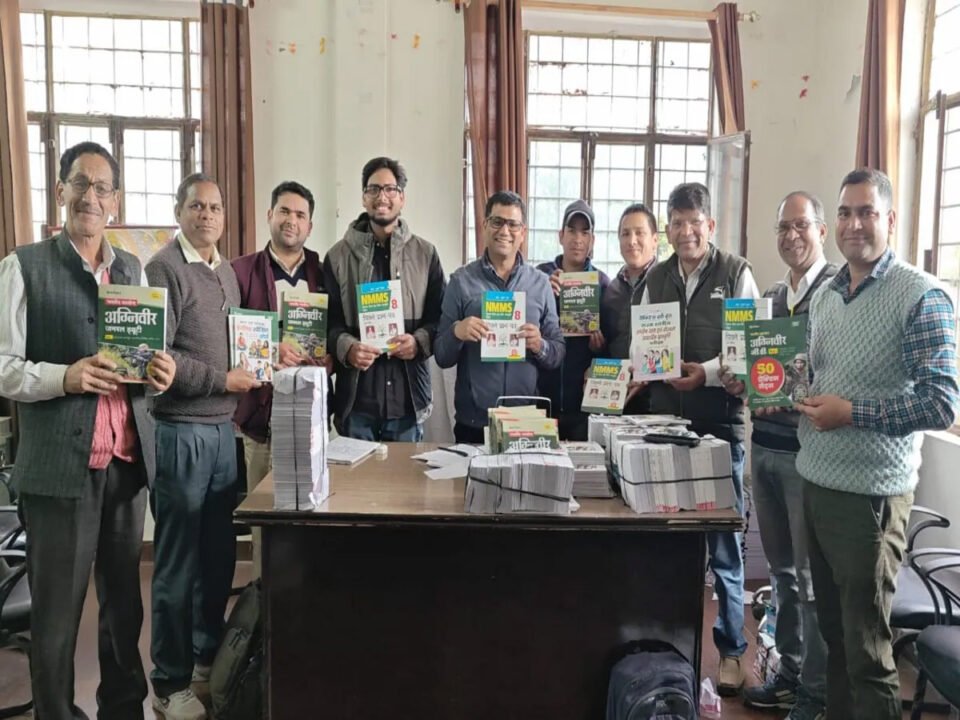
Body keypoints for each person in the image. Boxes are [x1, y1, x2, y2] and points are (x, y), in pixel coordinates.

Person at [0, 141, 176, 720]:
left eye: (102, 188)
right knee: (57, 615)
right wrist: (65, 377)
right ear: (60, 191)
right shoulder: (23, 267)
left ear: (115, 201)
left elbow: (142, 362)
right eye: (80, 184)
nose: (91, 197)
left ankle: (122, 709)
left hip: (126, 464)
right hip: (59, 471)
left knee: (124, 607)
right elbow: (3, 368)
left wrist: (159, 373)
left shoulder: (131, 271)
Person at [794, 169, 958, 720]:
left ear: (889, 219)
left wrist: (851, 413)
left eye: (866, 212)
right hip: (817, 483)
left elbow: (941, 404)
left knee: (867, 650)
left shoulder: (921, 295)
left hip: (870, 498)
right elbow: (817, 378)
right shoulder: (827, 294)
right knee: (835, 637)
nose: (854, 224)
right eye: (845, 212)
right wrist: (778, 392)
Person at [637, 181, 761, 695]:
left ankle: (731, 650)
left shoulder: (736, 273)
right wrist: (648, 368)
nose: (686, 231)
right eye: (677, 222)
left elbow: (749, 348)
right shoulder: (656, 277)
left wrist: (704, 375)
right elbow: (646, 343)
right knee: (666, 544)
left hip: (720, 427)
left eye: (695, 222)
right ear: (668, 229)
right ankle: (663, 644)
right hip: (666, 427)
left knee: (725, 549)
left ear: (710, 225)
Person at [146, 173, 261, 720]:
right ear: (179, 211)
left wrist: (266, 356)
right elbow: (158, 359)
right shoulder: (163, 269)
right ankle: (168, 684)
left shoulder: (226, 273)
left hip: (222, 433)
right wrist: (223, 380)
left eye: (215, 207)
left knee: (217, 558)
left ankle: (203, 660)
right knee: (177, 565)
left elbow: (238, 345)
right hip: (180, 432)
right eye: (197, 206)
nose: (207, 215)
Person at [722, 191, 839, 720]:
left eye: (801, 226)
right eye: (783, 228)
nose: (791, 236)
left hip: (807, 456)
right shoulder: (769, 296)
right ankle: (790, 674)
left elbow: (835, 371)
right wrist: (736, 378)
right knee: (783, 574)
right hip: (763, 448)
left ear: (821, 230)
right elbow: (754, 366)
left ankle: (814, 695)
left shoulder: (836, 292)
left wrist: (793, 392)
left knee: (811, 581)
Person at [232, 180, 330, 578]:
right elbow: (230, 340)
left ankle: (303, 606)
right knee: (264, 527)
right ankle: (263, 603)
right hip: (261, 420)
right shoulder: (241, 272)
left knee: (312, 522)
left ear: (310, 225)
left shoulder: (324, 273)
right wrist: (269, 352)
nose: (292, 220)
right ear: (269, 215)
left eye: (300, 215)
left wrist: (330, 357)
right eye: (284, 211)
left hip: (312, 424)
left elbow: (337, 334)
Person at [324, 157, 446, 441]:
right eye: (374, 189)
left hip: (407, 402)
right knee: (355, 473)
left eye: (390, 189)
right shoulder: (337, 257)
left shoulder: (426, 255)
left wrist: (418, 342)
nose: (382, 197)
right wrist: (347, 348)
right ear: (363, 197)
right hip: (356, 403)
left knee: (404, 473)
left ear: (402, 198)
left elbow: (440, 319)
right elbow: (328, 324)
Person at [435, 190, 565, 443]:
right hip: (474, 423)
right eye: (497, 222)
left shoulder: (540, 284)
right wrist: (456, 332)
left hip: (526, 421)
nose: (504, 231)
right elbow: (441, 355)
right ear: (484, 226)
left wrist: (540, 345)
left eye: (513, 224)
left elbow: (558, 352)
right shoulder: (460, 282)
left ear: (523, 233)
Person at [537, 200, 610, 440]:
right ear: (561, 235)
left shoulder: (603, 284)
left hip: (583, 407)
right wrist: (544, 292)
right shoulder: (539, 276)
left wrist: (599, 347)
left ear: (592, 240)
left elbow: (612, 347)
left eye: (585, 232)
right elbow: (521, 325)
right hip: (540, 402)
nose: (578, 239)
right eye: (572, 231)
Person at [603, 203, 660, 415]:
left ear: (655, 240)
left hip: (658, 404)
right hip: (617, 403)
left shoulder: (668, 283)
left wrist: (649, 374)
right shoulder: (611, 289)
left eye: (639, 233)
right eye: (625, 234)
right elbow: (608, 345)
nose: (632, 241)